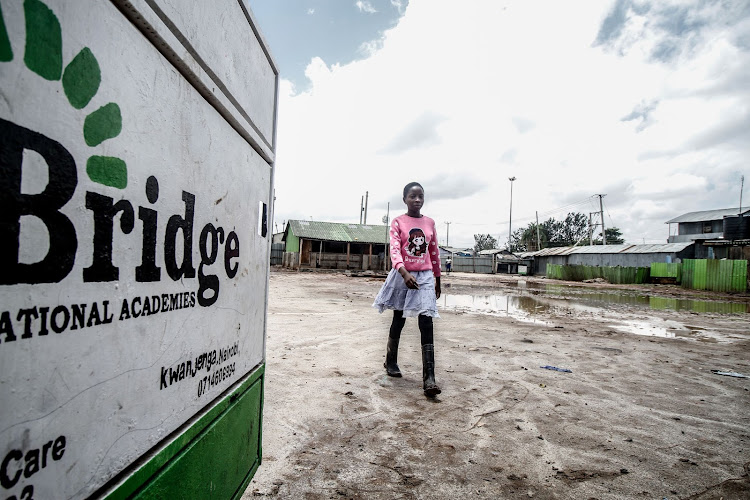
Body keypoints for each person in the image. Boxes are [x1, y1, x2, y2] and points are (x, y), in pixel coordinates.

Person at [373, 182, 442, 397]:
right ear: (404, 199)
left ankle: (429, 378)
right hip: (403, 274)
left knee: (426, 320)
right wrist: (404, 274)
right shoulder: (398, 222)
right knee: (399, 318)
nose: (417, 200)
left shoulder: (430, 223)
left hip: (425, 276)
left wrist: (438, 279)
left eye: (420, 196)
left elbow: (434, 252)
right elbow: (395, 251)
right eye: (413, 196)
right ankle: (390, 361)